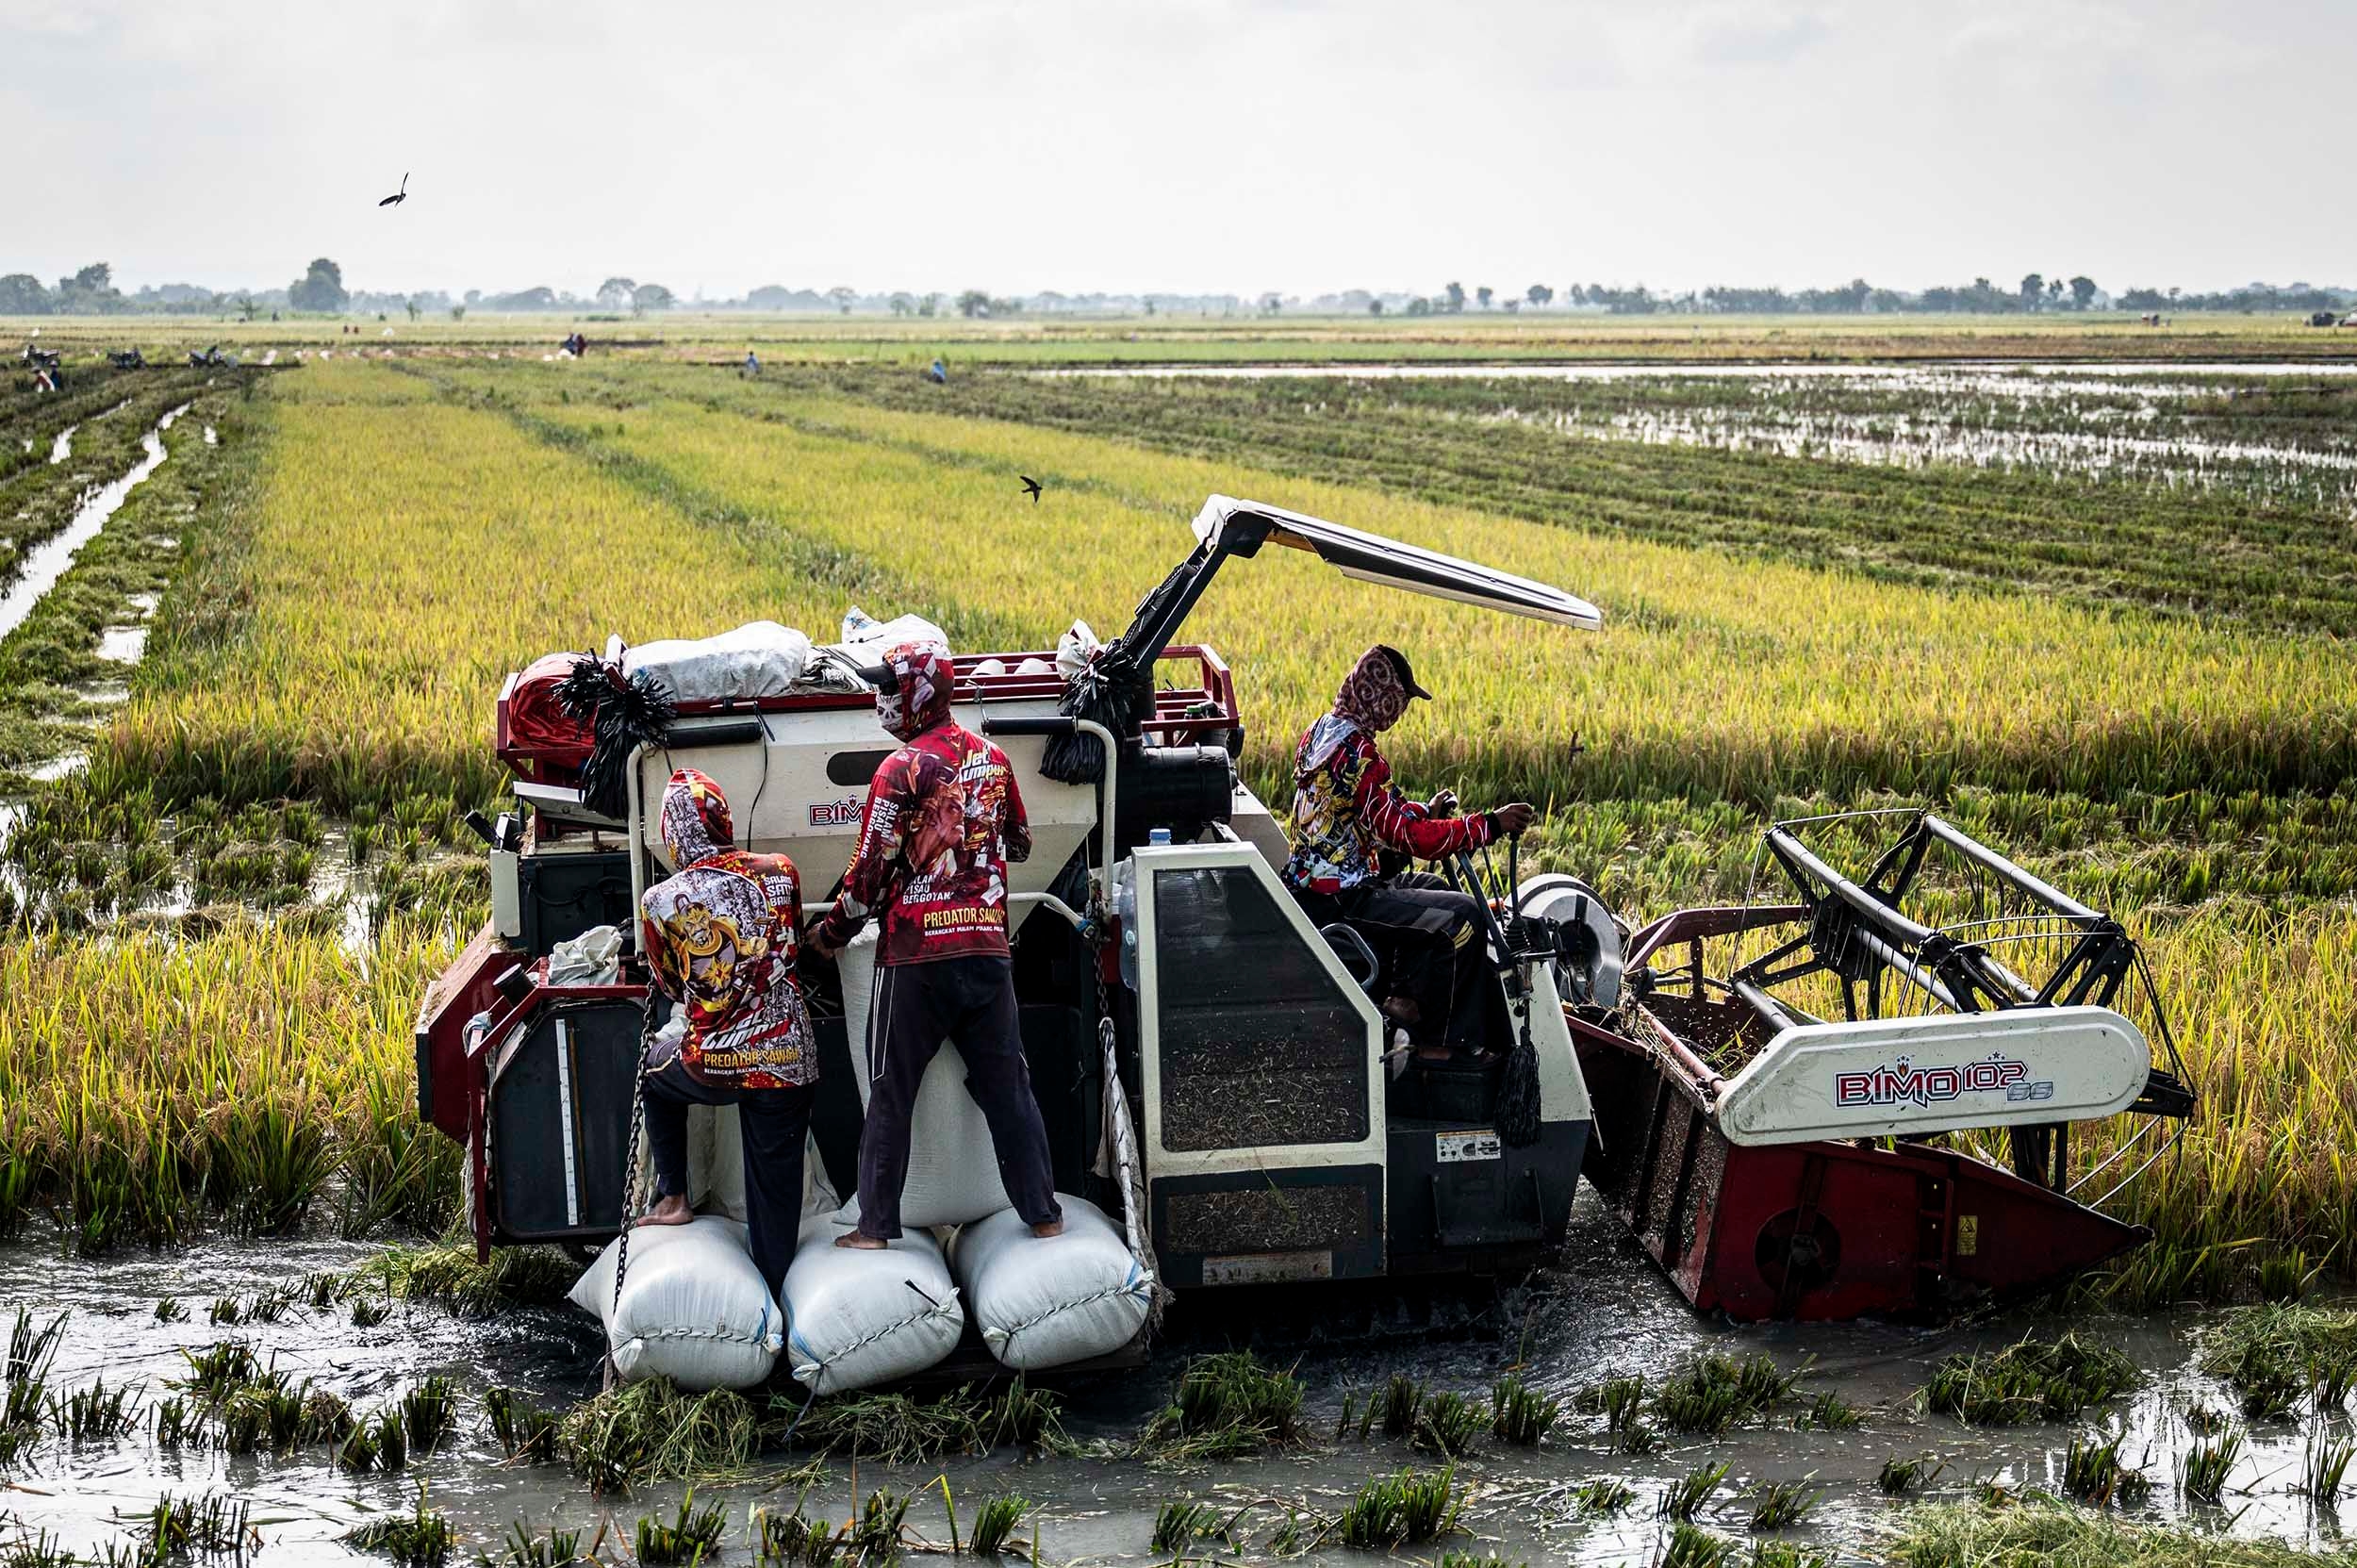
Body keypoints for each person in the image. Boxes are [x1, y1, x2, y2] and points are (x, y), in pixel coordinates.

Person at [811, 640, 1063, 1249]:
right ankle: (1045, 1214)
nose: (882, 700)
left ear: (915, 695)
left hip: (916, 959)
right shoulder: (996, 759)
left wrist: (829, 934)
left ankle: (874, 1228)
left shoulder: (898, 771)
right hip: (986, 951)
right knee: (1009, 1088)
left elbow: (866, 877)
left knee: (890, 1090)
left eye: (889, 688)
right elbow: (1022, 842)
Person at [1280, 645, 1536, 1062]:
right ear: (1381, 697)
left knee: (1430, 886)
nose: (1399, 714)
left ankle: (1406, 999)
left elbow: (1371, 811)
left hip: (1316, 884)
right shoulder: (1358, 754)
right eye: (1399, 702)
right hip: (1342, 896)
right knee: (1462, 917)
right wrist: (1488, 825)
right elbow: (1411, 838)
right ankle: (1446, 1047)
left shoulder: (1324, 732)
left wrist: (1425, 812)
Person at [634, 767, 816, 1302]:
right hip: (788, 1060)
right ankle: (780, 1300)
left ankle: (674, 1199)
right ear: (723, 818)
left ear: (673, 833)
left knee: (653, 1069)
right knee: (773, 1201)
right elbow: (792, 946)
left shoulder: (661, 901)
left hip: (711, 1064)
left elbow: (669, 983)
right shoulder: (781, 871)